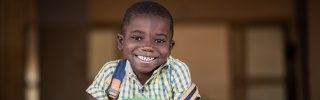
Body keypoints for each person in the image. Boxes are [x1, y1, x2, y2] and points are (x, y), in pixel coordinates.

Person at [86, 1, 200, 100]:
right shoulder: (110, 71)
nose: (148, 47)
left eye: (159, 41)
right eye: (137, 38)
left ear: (170, 47)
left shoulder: (175, 71)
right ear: (121, 42)